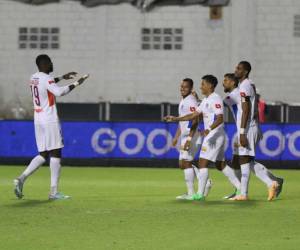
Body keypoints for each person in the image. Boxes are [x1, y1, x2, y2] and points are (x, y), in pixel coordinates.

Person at [14, 54, 89, 200]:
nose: (52, 64)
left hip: (38, 120)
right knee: (56, 153)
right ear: (45, 64)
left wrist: (61, 77)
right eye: (50, 63)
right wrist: (78, 83)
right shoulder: (46, 78)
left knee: (43, 154)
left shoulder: (34, 77)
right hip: (49, 119)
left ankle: (21, 179)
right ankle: (54, 193)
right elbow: (59, 92)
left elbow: (46, 83)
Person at [165, 75, 241, 201]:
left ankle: (199, 194)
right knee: (220, 164)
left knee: (202, 163)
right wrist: (175, 118)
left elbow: (220, 117)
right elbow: (193, 115)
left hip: (214, 136)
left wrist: (209, 129)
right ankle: (239, 188)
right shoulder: (206, 100)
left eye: (203, 84)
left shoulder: (215, 99)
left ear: (210, 85)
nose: (201, 87)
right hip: (213, 135)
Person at [223, 73, 284, 200]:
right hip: (243, 129)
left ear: (233, 83)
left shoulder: (235, 94)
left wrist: (201, 101)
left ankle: (267, 184)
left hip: (245, 130)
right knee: (238, 161)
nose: (224, 83)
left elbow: (217, 104)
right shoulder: (242, 93)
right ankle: (241, 189)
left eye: (226, 81)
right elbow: (252, 109)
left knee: (245, 161)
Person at [172, 78, 212, 200]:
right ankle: (204, 179)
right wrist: (176, 137)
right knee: (182, 164)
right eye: (181, 86)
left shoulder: (191, 101)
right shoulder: (184, 100)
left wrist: (189, 138)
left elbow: (195, 119)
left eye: (185, 87)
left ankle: (191, 193)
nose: (182, 88)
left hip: (192, 136)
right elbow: (182, 120)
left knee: (186, 163)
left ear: (190, 88)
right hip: (185, 136)